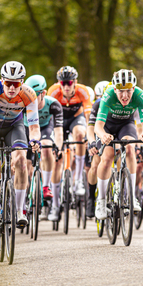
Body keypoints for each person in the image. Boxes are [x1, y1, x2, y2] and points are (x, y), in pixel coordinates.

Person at [0, 61, 41, 235]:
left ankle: (20, 210)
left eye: (16, 84)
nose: (12, 88)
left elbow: (34, 127)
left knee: (21, 161)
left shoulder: (29, 95)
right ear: (1, 80)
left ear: (22, 82)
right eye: (8, 83)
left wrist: (35, 141)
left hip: (15, 127)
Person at [94, 69, 143, 220]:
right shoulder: (108, 95)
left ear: (134, 88)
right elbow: (98, 126)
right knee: (107, 158)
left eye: (128, 91)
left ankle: (131, 196)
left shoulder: (140, 95)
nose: (125, 96)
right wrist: (103, 135)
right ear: (115, 89)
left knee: (131, 148)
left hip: (126, 124)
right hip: (108, 125)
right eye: (121, 91)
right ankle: (100, 201)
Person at [48, 66, 92, 199]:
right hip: (59, 121)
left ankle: (78, 180)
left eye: (69, 83)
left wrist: (89, 135)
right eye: (63, 83)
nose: (66, 86)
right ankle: (54, 204)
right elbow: (48, 116)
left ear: (75, 82)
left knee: (79, 134)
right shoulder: (53, 91)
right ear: (58, 83)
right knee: (56, 158)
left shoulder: (82, 91)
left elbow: (88, 115)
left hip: (75, 118)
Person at [24, 75, 63, 221]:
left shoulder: (54, 104)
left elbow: (58, 131)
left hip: (45, 128)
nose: (32, 100)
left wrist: (57, 148)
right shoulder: (22, 104)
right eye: (29, 96)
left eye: (35, 96)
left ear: (44, 94)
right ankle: (26, 195)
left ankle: (46, 186)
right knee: (25, 164)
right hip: (26, 129)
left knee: (47, 147)